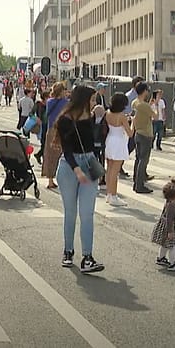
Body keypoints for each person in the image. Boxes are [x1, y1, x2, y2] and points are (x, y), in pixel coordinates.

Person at [54, 85, 107, 273]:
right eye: (92, 99)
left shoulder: (92, 117)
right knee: (70, 212)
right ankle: (68, 251)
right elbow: (66, 149)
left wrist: (100, 120)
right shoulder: (65, 120)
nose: (94, 103)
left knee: (87, 213)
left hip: (90, 161)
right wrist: (77, 170)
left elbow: (97, 142)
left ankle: (87, 257)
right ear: (83, 100)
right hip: (69, 166)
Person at [103, 93, 132, 207]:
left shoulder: (108, 113)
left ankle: (109, 194)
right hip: (119, 142)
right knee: (115, 171)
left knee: (109, 168)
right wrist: (133, 122)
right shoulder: (122, 116)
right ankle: (113, 195)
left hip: (109, 140)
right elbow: (130, 133)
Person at [42, 82, 70, 190]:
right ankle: (63, 178)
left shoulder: (49, 101)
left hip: (50, 130)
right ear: (61, 91)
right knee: (63, 154)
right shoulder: (66, 102)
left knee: (50, 154)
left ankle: (50, 179)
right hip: (62, 130)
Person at [130, 83, 156, 194]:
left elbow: (143, 113)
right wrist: (155, 105)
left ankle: (136, 182)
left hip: (138, 132)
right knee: (143, 160)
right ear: (144, 91)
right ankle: (140, 185)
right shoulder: (144, 105)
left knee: (138, 159)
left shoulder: (135, 103)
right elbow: (155, 116)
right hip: (145, 133)